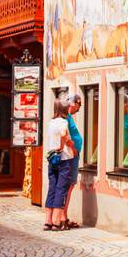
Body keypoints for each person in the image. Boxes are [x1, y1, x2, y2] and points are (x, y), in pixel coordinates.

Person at [43, 96, 76, 231]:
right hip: (63, 159)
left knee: (52, 188)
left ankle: (48, 221)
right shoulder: (63, 122)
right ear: (64, 109)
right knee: (61, 189)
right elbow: (63, 134)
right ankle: (56, 222)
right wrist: (66, 144)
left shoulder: (51, 122)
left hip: (52, 159)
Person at [59, 92, 84, 229]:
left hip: (73, 154)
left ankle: (64, 216)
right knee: (68, 185)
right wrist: (73, 149)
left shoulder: (68, 117)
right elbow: (66, 135)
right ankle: (63, 217)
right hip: (71, 155)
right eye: (79, 104)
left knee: (69, 185)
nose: (80, 108)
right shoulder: (66, 117)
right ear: (73, 103)